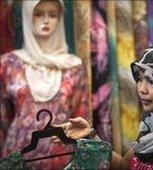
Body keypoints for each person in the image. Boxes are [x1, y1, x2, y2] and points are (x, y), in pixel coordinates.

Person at [55, 41, 153, 169]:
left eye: (151, 81)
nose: (141, 89)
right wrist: (89, 136)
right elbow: (124, 166)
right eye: (140, 78)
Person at [0, 0, 90, 169]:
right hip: (16, 157)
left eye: (53, 14)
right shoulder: (8, 64)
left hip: (63, 158)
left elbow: (81, 118)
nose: (46, 20)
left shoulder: (73, 67)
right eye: (39, 13)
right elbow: (3, 119)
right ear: (27, 15)